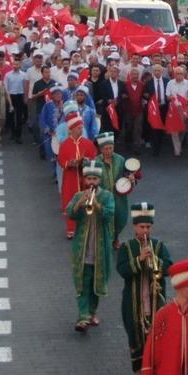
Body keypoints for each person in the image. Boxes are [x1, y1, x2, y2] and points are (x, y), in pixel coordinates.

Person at [115, 202, 171, 375]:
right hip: (133, 302)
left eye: (148, 227)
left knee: (157, 336)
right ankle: (139, 372)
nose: (145, 230)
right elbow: (122, 270)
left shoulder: (159, 245)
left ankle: (154, 370)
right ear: (134, 227)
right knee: (136, 335)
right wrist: (139, 260)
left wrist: (156, 260)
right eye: (141, 227)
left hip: (156, 300)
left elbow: (169, 267)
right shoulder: (126, 247)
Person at [66, 161, 114, 333]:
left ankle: (92, 311)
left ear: (99, 180)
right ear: (85, 180)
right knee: (82, 281)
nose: (92, 182)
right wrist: (80, 202)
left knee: (96, 282)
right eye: (89, 178)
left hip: (99, 247)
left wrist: (97, 205)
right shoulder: (79, 194)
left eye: (95, 178)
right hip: (83, 248)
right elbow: (70, 213)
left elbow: (109, 215)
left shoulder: (107, 196)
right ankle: (83, 316)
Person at [58, 115, 98, 238]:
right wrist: (70, 163)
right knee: (71, 202)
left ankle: (86, 228)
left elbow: (93, 158)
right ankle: (71, 229)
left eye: (81, 128)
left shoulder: (88, 143)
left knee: (87, 201)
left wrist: (85, 161)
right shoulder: (65, 144)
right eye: (78, 128)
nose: (81, 130)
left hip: (85, 178)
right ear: (72, 129)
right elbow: (61, 160)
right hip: (70, 177)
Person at [96, 133, 130, 245]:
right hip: (103, 198)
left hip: (119, 197)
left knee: (120, 219)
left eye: (111, 148)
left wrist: (130, 178)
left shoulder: (120, 160)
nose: (109, 151)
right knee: (106, 220)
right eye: (106, 149)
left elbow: (127, 175)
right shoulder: (96, 162)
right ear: (101, 149)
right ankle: (107, 241)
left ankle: (115, 236)